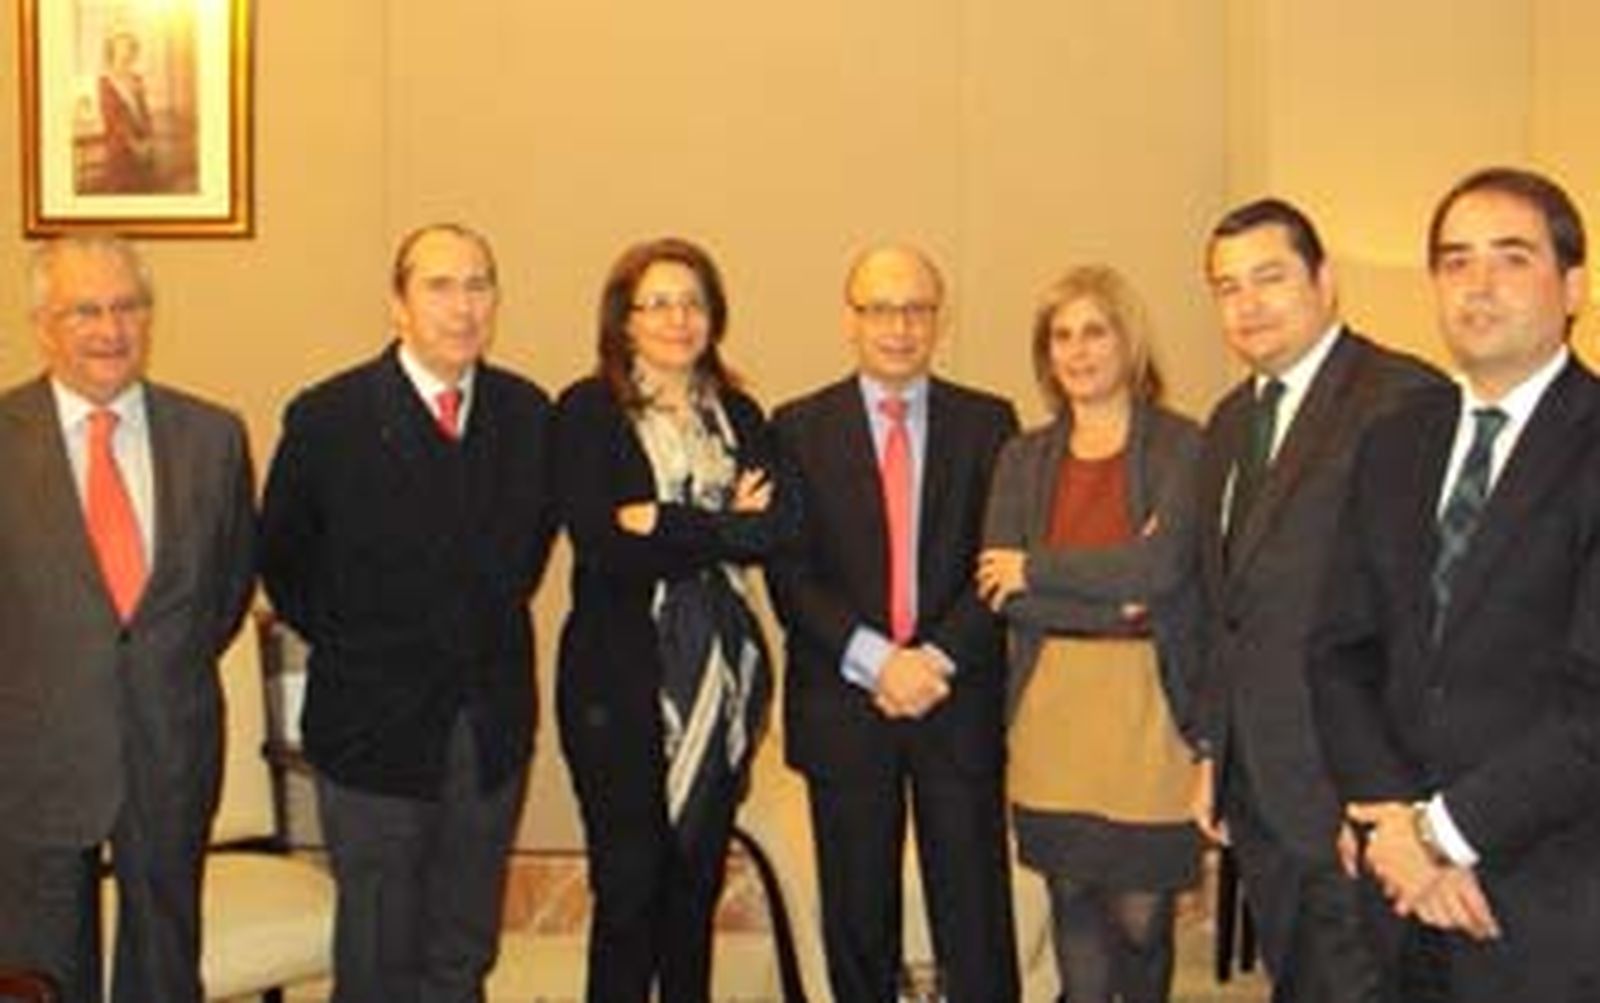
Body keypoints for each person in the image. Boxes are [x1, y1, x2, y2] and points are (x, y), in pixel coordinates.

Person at [1310, 167, 1600, 1002]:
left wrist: (1439, 834)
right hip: (1400, 893)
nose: (1478, 284)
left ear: (1572, 286)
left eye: (1511, 257)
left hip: (1549, 898)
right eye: (1455, 261)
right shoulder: (1396, 439)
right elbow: (1338, 650)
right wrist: (1392, 820)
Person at [259, 223, 557, 1003]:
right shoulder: (328, 417)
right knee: (379, 956)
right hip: (372, 726)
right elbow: (284, 562)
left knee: (464, 947)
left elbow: (523, 560)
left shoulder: (528, 413)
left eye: (479, 285)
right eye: (439, 286)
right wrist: (368, 639)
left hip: (488, 727)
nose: (463, 307)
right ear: (398, 303)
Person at [1190, 199, 1444, 1003]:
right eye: (1228, 287)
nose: (1248, 304)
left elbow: (1423, 617)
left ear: (1325, 281)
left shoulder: (1404, 399)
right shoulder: (1230, 419)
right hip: (1259, 784)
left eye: (1270, 278)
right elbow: (1225, 604)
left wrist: (1382, 791)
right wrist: (1213, 751)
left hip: (1354, 791)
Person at [0, 235, 255, 1003]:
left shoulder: (213, 437)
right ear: (43, 324)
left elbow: (223, 593)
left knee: (166, 963)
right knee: (40, 973)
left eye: (128, 307)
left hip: (169, 743)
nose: (110, 329)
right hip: (31, 759)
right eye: (85, 311)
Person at [770, 244, 1021, 1003]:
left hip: (956, 695)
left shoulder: (989, 423)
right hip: (847, 701)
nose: (900, 327)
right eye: (881, 308)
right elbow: (792, 575)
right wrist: (881, 660)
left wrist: (933, 659)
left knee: (976, 916)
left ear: (939, 320)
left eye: (917, 309)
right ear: (850, 320)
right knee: (857, 917)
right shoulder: (798, 427)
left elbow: (1001, 563)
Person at [554, 237, 792, 1003]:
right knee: (629, 889)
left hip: (721, 683)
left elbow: (773, 531)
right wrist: (722, 522)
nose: (677, 318)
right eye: (656, 303)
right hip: (616, 681)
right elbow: (604, 545)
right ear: (623, 320)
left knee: (694, 887)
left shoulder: (741, 414)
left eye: (692, 302)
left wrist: (665, 518)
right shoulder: (587, 410)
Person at [977, 265, 1202, 1003]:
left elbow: (1163, 571)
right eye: (1061, 336)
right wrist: (1118, 597)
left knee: (1141, 921)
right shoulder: (1022, 457)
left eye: (1095, 332)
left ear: (1128, 340)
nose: (1077, 351)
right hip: (1052, 710)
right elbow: (1001, 594)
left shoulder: (1184, 446)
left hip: (1151, 713)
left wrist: (1039, 570)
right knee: (1071, 902)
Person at [95, 31, 155, 194]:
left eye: (129, 47)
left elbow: (144, 112)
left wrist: (149, 139)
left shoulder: (137, 79)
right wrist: (134, 145)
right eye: (121, 47)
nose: (126, 52)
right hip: (120, 147)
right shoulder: (105, 82)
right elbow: (114, 120)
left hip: (143, 144)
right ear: (112, 51)